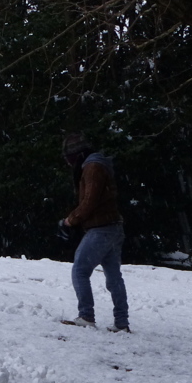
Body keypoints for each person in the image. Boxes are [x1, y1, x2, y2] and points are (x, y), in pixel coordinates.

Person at [58, 133, 130, 332]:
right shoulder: (96, 164)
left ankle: (86, 316)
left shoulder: (92, 167)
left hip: (101, 229)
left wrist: (70, 220)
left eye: (69, 159)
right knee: (114, 276)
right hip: (113, 227)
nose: (69, 164)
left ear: (76, 155)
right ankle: (122, 322)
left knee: (80, 270)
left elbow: (89, 201)